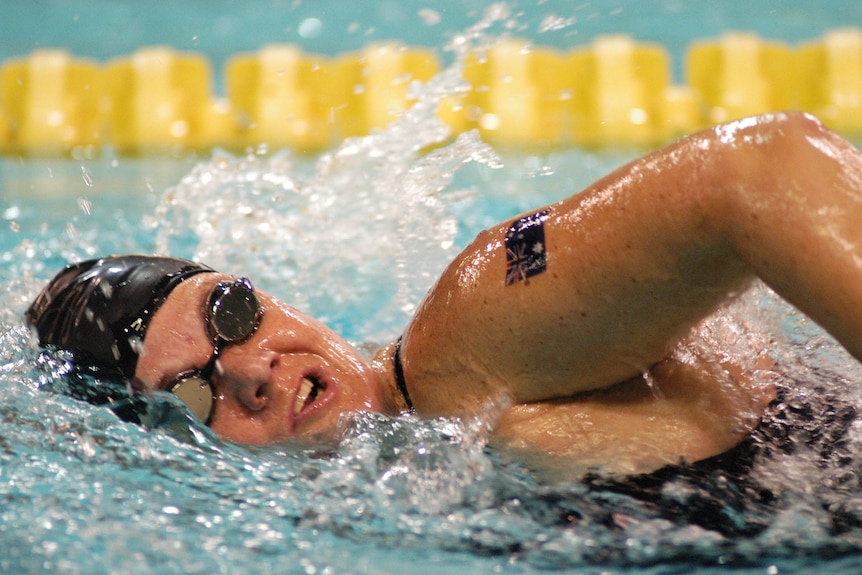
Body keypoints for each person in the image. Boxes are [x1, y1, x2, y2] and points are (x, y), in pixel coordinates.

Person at [25, 112, 862, 477]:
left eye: (230, 312)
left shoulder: (464, 341)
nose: (253, 370)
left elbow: (760, 168)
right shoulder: (434, 453)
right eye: (196, 390)